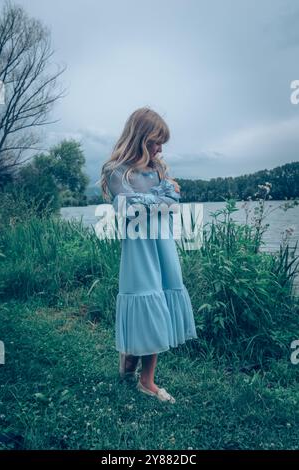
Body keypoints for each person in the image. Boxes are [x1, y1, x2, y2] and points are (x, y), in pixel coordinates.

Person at [100, 107, 198, 403]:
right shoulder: (116, 170)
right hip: (138, 247)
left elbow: (173, 201)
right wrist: (162, 196)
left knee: (160, 302)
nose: (160, 148)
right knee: (145, 299)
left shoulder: (159, 170)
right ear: (141, 138)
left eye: (162, 143)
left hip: (163, 243)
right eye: (156, 141)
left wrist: (159, 197)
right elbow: (128, 206)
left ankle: (140, 373)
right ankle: (137, 371)